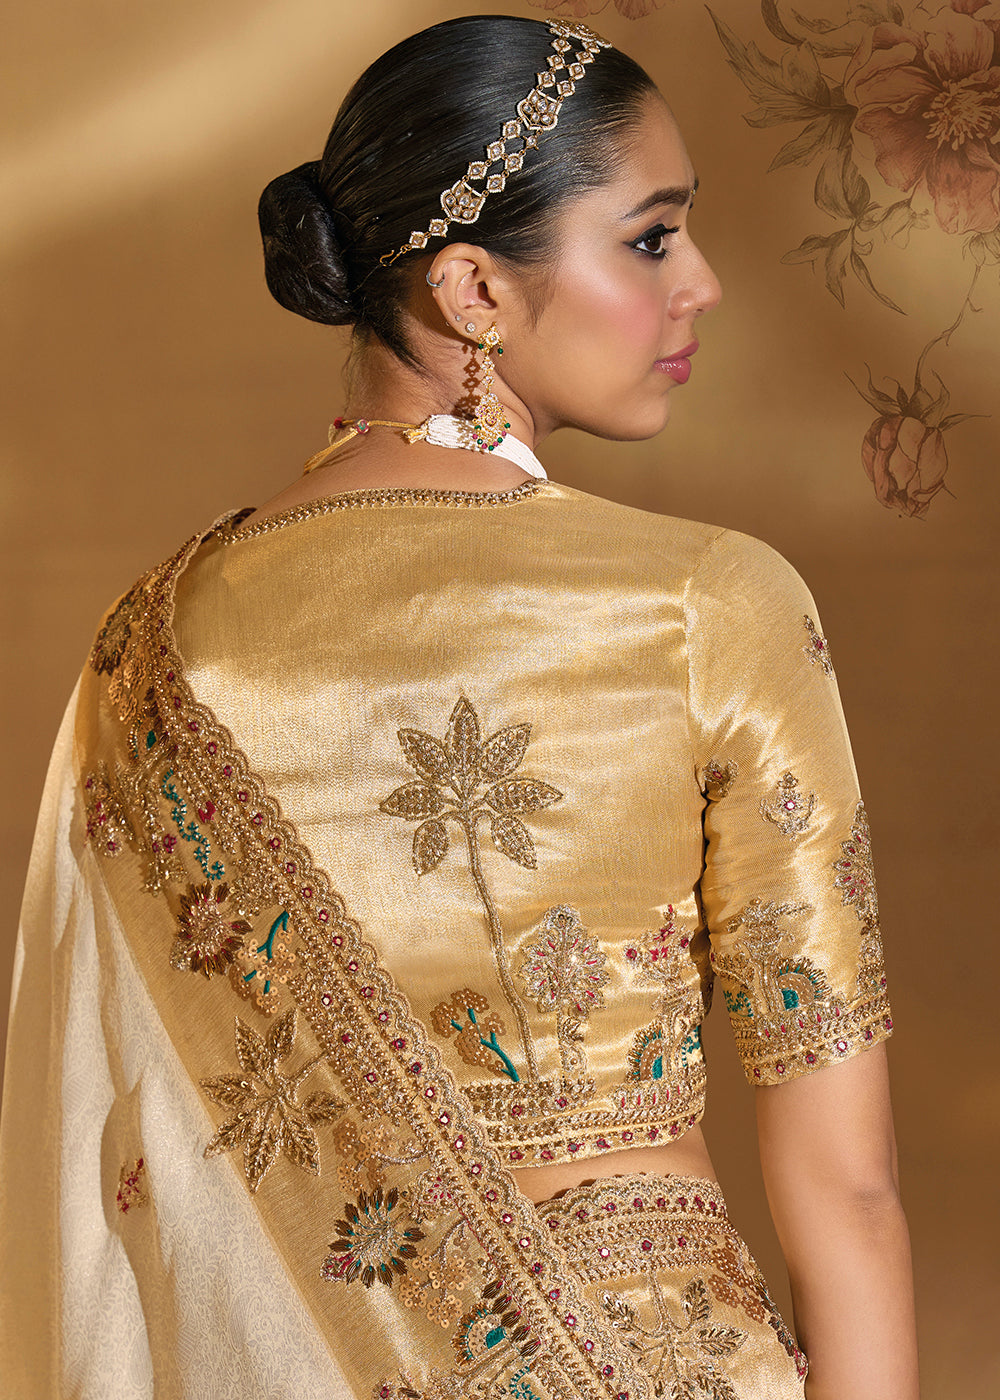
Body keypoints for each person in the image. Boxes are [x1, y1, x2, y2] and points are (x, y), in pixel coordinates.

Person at [0, 13, 918, 1400]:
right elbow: (848, 1190)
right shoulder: (707, 606)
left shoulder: (153, 647)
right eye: (652, 239)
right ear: (474, 289)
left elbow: (104, 1185)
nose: (704, 284)